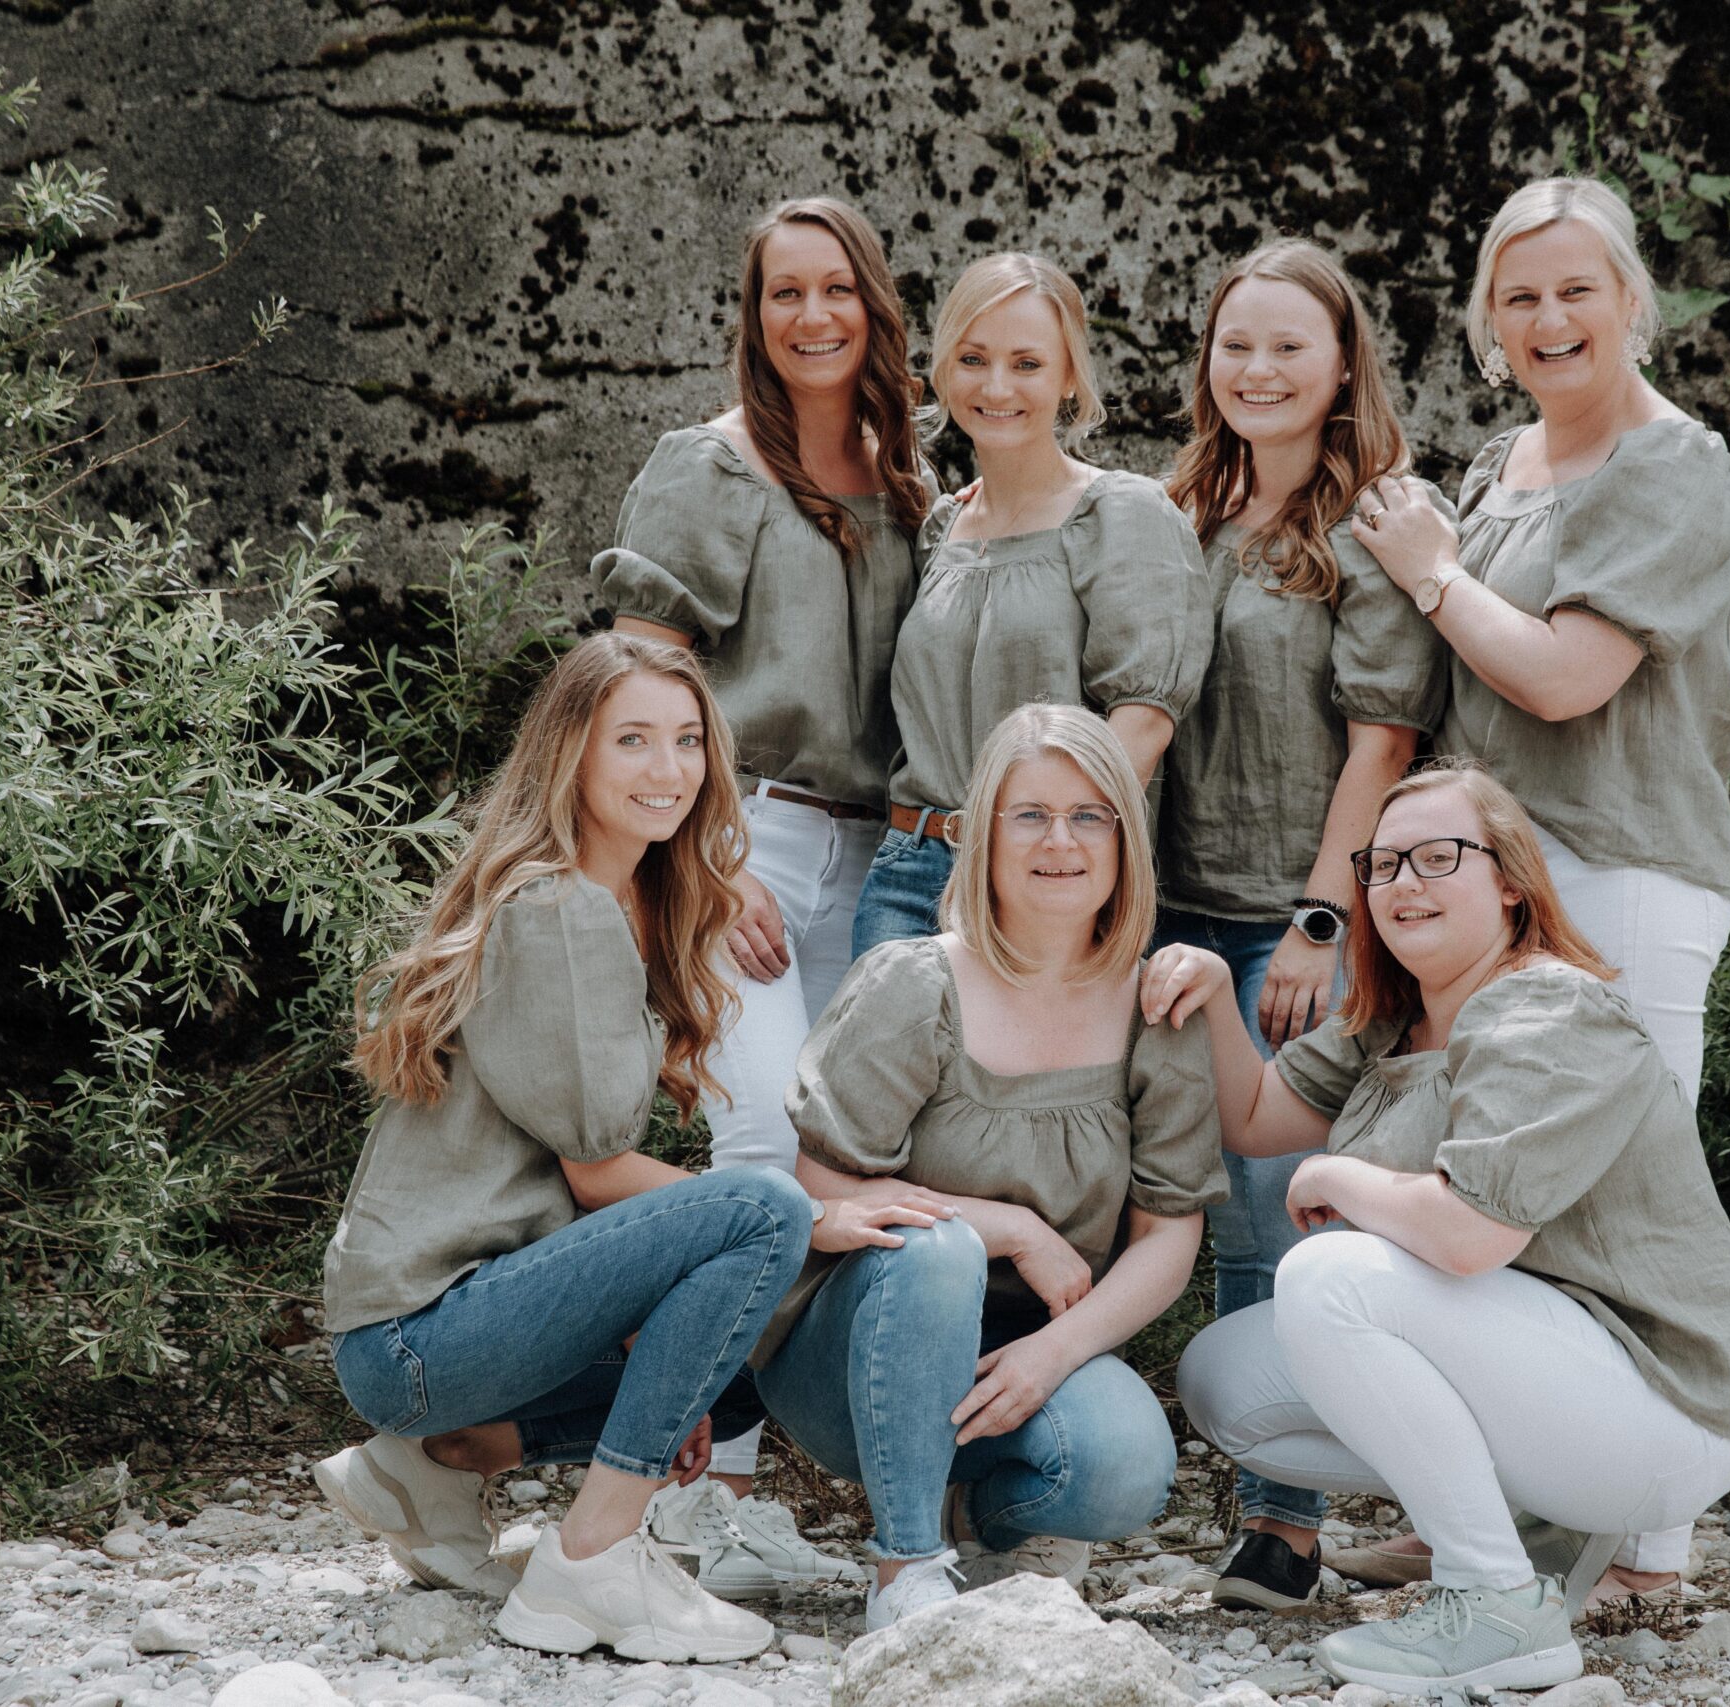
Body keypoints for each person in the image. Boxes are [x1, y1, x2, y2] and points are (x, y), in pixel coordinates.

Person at [312, 634, 937, 1661]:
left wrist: (676, 1337)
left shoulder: (627, 902)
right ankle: (593, 1558)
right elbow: (597, 1172)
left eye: (689, 741)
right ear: (573, 754)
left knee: (755, 1339)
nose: (669, 768)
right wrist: (816, 1216)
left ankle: (431, 1465)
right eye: (633, 740)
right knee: (769, 1215)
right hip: (423, 1333)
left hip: (470, 1326)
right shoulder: (558, 909)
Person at [1154, 761, 1730, 1694]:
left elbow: (1471, 1237)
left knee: (1329, 1278)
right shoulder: (1394, 1024)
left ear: (1511, 880)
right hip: (1553, 1376)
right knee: (1225, 1376)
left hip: (1664, 1400)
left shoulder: (1549, 1008)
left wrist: (1338, 1175)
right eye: (1383, 863)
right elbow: (1249, 1114)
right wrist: (1209, 990)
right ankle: (1533, 1530)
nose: (1404, 881)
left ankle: (1494, 1602)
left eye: (1439, 856)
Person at [588, 197, 932, 1592]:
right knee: (757, 1145)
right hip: (750, 839)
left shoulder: (913, 479)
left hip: (886, 856)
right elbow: (632, 683)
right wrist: (703, 861)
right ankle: (702, 1490)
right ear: (753, 313)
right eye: (784, 292)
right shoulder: (711, 468)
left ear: (875, 307)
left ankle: (835, 1472)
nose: (811, 316)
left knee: (854, 1159)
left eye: (836, 289)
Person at [756, 703, 1226, 1631]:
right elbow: (822, 1190)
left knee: (1125, 1465)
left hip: (1022, 1353)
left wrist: (1057, 1351)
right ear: (983, 835)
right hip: (858, 1350)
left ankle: (982, 1519)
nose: (1061, 841)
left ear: (1125, 839)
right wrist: (1011, 1228)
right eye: (1031, 815)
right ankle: (903, 1564)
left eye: (1089, 816)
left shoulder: (1155, 1007)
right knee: (940, 1250)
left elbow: (1169, 1236)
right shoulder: (915, 982)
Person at [1154, 239, 1448, 1611]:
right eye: (1237, 345)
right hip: (1161, 910)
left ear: (1342, 366)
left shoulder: (1370, 523)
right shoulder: (1173, 511)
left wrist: (1324, 919)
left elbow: (1383, 739)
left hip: (1293, 920)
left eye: (1289, 346)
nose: (1258, 369)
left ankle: (1286, 1523)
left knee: (1279, 1215)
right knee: (1182, 1205)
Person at [1353, 174, 1730, 1110]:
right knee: (1486, 1164)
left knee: (1621, 1168)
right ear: (1492, 319)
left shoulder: (1675, 463)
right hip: (1487, 875)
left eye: (1576, 290)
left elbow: (1567, 679)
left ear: (1630, 300)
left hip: (1621, 869)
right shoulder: (1498, 465)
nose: (1550, 319)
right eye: (1521, 297)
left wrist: (1433, 574)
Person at [850, 252, 1212, 956]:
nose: (996, 386)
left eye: (1027, 364)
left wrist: (1042, 857)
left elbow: (1142, 726)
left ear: (1069, 375)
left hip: (1044, 874)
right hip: (907, 871)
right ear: (943, 369)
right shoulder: (942, 526)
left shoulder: (1122, 514)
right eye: (973, 359)